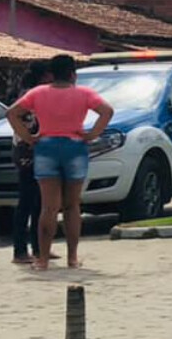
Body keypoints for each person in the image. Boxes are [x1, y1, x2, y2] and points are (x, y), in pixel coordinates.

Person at [8, 53, 114, 270]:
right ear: (73, 74)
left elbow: (11, 113)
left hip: (46, 146)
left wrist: (29, 137)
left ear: (52, 74)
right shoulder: (84, 93)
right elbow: (107, 111)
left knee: (48, 207)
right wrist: (92, 134)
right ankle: (72, 257)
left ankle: (43, 259)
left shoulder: (38, 93)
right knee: (72, 205)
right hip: (75, 146)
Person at [9, 64, 44, 266]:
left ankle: (39, 247)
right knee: (28, 202)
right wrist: (31, 139)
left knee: (38, 202)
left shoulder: (31, 94)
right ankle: (20, 250)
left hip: (29, 151)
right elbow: (21, 120)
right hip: (27, 154)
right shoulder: (31, 96)